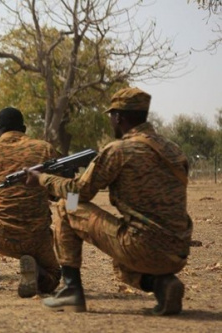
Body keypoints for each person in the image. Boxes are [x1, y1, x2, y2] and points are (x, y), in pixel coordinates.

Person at [25, 87, 192, 315]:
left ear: (119, 117)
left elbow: (79, 191)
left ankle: (71, 289)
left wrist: (43, 178)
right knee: (121, 266)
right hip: (178, 250)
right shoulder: (174, 150)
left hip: (141, 246)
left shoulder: (118, 151)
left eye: (111, 117)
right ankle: (162, 285)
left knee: (68, 204)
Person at [0, 107, 61, 298]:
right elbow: (57, 193)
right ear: (24, 128)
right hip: (38, 238)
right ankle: (39, 273)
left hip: (1, 237)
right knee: (54, 276)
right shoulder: (45, 149)